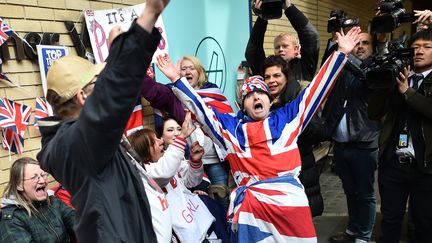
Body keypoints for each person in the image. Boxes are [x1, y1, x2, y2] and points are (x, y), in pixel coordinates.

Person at [158, 26, 361, 242]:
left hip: (290, 208)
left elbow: (316, 90)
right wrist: (176, 80)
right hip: (252, 213)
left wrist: (340, 54)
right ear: (242, 105)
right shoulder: (230, 128)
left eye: (261, 93)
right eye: (250, 95)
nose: (256, 98)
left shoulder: (287, 118)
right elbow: (201, 109)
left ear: (269, 99)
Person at [35, 1, 170, 242]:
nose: (102, 93)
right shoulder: (72, 144)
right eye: (96, 87)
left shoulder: (71, 140)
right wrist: (150, 14)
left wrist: (117, 52)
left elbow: (105, 99)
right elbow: (111, 99)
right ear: (82, 97)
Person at [141, 55, 233, 208]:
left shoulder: (213, 91)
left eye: (192, 68)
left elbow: (225, 121)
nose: (187, 71)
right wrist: (136, 70)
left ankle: (225, 229)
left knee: (222, 199)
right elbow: (154, 91)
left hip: (216, 160)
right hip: (191, 160)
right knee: (198, 200)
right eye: (183, 69)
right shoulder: (174, 95)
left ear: (199, 72)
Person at [368, 29, 432, 243]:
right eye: (415, 47)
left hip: (426, 167)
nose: (419, 51)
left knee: (424, 223)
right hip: (393, 163)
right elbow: (374, 113)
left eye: (426, 47)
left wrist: (408, 92)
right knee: (390, 222)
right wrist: (384, 85)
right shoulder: (398, 77)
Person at [322, 30, 381, 243]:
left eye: (365, 43)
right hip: (340, 145)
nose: (360, 46)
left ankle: (363, 237)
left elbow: (366, 78)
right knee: (349, 191)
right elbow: (326, 67)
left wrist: (344, 55)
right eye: (356, 43)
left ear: (373, 48)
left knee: (365, 194)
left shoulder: (376, 69)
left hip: (364, 144)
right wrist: (334, 45)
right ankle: (353, 230)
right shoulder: (344, 67)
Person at [261, 55, 325, 217]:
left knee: (301, 222)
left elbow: (318, 132)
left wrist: (294, 118)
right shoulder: (260, 101)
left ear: (286, 77)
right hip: (274, 174)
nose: (271, 81)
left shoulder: (299, 98)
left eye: (277, 76)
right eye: (267, 77)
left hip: (301, 168)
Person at [0, 157, 75, 242]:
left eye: (43, 175)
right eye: (34, 177)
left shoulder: (53, 202)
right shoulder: (11, 220)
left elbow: (77, 222)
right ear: (19, 185)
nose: (42, 181)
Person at [245, 0, 319, 82]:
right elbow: (252, 53)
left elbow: (311, 36)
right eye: (277, 47)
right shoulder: (268, 69)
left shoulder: (304, 67)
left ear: (295, 48)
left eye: (285, 46)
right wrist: (262, 18)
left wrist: (289, 8)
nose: (280, 49)